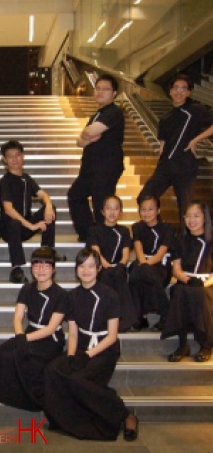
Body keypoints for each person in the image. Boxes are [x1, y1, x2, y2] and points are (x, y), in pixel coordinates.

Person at [44, 247, 138, 441]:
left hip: (105, 349)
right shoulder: (71, 296)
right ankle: (64, 419)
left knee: (79, 379)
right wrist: (71, 356)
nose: (86, 270)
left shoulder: (110, 295)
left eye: (90, 266)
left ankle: (124, 414)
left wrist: (87, 355)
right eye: (81, 266)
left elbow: (112, 336)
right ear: (76, 269)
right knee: (53, 370)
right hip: (81, 346)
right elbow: (73, 332)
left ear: (98, 269)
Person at [0, 246, 68, 411]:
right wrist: (20, 335)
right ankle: (5, 388)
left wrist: (23, 340)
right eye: (36, 265)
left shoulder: (62, 295)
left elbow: (50, 329)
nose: (41, 269)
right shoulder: (27, 288)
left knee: (14, 356)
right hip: (28, 333)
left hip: (50, 340)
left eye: (46, 265)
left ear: (54, 269)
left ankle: (23, 397)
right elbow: (18, 317)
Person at [137, 74, 213, 225]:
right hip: (165, 166)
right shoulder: (165, 118)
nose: (179, 91)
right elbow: (163, 144)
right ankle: (160, 232)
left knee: (185, 210)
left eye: (183, 88)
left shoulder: (195, 110)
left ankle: (187, 244)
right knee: (145, 197)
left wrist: (196, 140)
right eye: (176, 88)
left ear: (189, 92)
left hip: (185, 167)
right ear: (170, 91)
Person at [67, 74, 124, 242]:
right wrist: (87, 135)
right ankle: (89, 234)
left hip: (106, 167)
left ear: (114, 93)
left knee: (101, 203)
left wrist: (88, 134)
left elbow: (88, 133)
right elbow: (80, 141)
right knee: (75, 195)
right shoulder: (97, 115)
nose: (100, 92)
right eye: (97, 88)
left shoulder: (114, 112)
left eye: (105, 89)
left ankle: (102, 241)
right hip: (90, 167)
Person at [0, 139, 66, 284]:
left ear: (23, 156)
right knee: (13, 222)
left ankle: (48, 250)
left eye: (17, 155)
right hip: (10, 229)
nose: (14, 159)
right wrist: (31, 226)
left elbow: (42, 194)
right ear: (5, 160)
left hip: (26, 225)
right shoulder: (5, 181)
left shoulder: (26, 178)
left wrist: (48, 204)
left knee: (51, 209)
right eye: (10, 156)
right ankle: (16, 269)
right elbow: (8, 209)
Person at [161, 201, 213, 363]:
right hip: (186, 280)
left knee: (201, 294)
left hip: (207, 284)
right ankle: (183, 344)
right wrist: (188, 280)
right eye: (188, 216)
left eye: (196, 216)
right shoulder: (180, 240)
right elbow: (176, 269)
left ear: (205, 218)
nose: (191, 220)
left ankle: (206, 344)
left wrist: (202, 284)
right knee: (179, 291)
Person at [86, 195, 137, 332]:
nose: (112, 212)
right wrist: (106, 265)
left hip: (118, 268)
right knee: (107, 276)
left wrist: (121, 264)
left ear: (120, 212)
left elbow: (126, 253)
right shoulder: (94, 230)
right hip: (101, 267)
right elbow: (96, 252)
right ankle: (102, 320)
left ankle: (124, 321)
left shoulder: (124, 231)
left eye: (116, 208)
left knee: (119, 277)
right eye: (108, 208)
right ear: (102, 211)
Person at [129, 195, 174, 331]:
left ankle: (139, 317)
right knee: (137, 273)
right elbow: (138, 248)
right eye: (143, 209)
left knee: (140, 273)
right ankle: (165, 315)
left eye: (150, 209)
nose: (146, 213)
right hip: (141, 262)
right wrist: (144, 264)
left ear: (158, 210)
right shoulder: (137, 227)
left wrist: (145, 266)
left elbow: (161, 253)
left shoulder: (168, 228)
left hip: (160, 266)